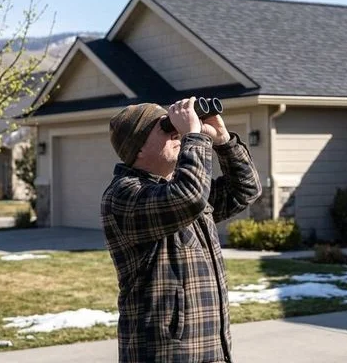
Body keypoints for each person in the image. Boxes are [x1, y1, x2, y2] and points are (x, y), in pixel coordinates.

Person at [101, 96, 262, 363]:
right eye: (166, 127)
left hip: (211, 350)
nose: (175, 131)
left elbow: (245, 191)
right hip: (164, 354)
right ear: (137, 149)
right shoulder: (125, 195)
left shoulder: (182, 187)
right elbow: (189, 197)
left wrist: (223, 141)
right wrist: (192, 135)